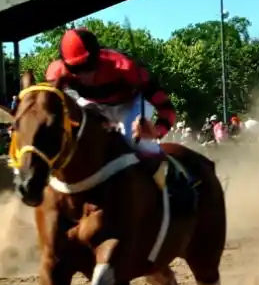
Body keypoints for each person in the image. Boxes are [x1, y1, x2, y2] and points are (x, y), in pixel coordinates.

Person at [45, 28, 190, 202]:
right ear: (65, 64)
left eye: (88, 66)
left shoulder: (125, 67)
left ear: (97, 57)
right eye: (75, 69)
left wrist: (156, 131)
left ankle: (174, 181)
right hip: (93, 105)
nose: (84, 75)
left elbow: (166, 108)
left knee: (132, 137)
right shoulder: (56, 75)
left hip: (130, 104)